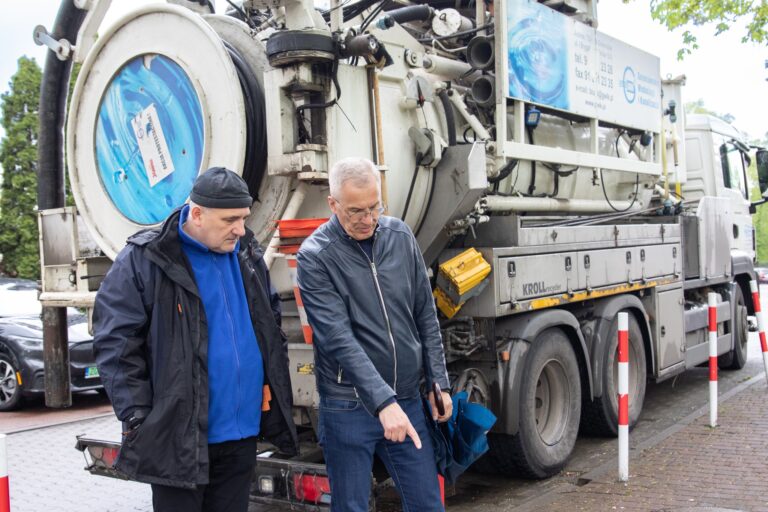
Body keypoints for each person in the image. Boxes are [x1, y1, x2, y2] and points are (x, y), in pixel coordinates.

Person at [93, 167, 298, 512]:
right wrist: (140, 418)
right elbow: (116, 343)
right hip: (179, 437)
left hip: (242, 434)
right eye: (230, 219)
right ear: (197, 214)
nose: (240, 228)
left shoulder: (246, 253)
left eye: (244, 218)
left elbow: (269, 319)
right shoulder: (147, 258)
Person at [297, 157, 452, 512]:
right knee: (351, 507)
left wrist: (437, 382)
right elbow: (338, 339)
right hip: (348, 405)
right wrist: (383, 402)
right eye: (355, 211)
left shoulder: (400, 236)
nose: (368, 220)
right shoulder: (316, 257)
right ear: (333, 204)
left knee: (428, 504)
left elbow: (425, 315)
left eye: (374, 207)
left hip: (408, 399)